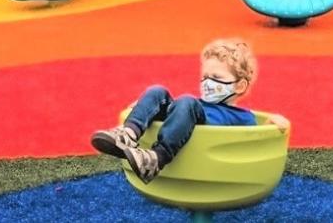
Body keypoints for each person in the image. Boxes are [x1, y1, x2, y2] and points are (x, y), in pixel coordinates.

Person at [89, 38, 289, 184]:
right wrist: (144, 108)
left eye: (216, 77)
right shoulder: (191, 107)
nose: (207, 82)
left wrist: (273, 124)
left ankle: (156, 158)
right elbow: (177, 111)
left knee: (187, 101)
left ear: (239, 86)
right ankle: (128, 135)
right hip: (180, 127)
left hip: (206, 164)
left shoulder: (242, 116)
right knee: (157, 91)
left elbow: (252, 143)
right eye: (205, 77)